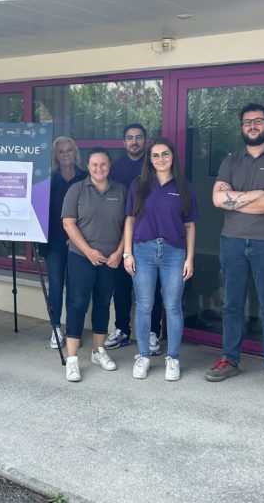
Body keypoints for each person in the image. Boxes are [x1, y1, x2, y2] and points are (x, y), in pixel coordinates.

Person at [205, 103, 264, 395]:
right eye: (247, 122)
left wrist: (238, 199)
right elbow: (217, 200)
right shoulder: (231, 160)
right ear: (241, 128)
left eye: (258, 121)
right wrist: (258, 194)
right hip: (231, 240)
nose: (252, 126)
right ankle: (230, 359)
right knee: (231, 303)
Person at [123, 138, 197, 381]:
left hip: (173, 253)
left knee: (173, 307)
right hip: (142, 250)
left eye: (165, 154)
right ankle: (143, 356)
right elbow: (130, 220)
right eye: (155, 155)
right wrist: (127, 253)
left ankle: (173, 358)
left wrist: (190, 258)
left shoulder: (184, 186)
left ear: (172, 157)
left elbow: (189, 225)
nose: (161, 159)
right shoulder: (139, 184)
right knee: (144, 306)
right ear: (150, 159)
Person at [60, 147, 126, 382]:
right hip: (81, 257)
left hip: (110, 260)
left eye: (104, 164)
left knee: (102, 303)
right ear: (88, 167)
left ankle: (98, 351)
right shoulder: (76, 190)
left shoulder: (121, 190)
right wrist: (88, 252)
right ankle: (72, 359)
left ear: (110, 166)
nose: (99, 169)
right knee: (77, 305)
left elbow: (128, 225)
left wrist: (120, 252)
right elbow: (68, 223)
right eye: (95, 165)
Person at [106, 123, 164, 355]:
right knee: (121, 287)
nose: (134, 142)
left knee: (152, 288)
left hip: (151, 237)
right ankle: (122, 330)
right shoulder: (116, 169)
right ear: (124, 142)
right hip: (123, 237)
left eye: (139, 138)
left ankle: (152, 332)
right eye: (130, 138)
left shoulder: (154, 167)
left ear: (146, 141)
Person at [39, 136, 87, 348]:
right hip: (54, 242)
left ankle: (72, 330)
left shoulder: (85, 178)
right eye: (61, 151)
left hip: (80, 242)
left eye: (69, 150)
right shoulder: (48, 179)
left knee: (76, 287)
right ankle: (56, 328)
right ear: (55, 156)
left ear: (75, 153)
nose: (66, 155)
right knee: (56, 285)